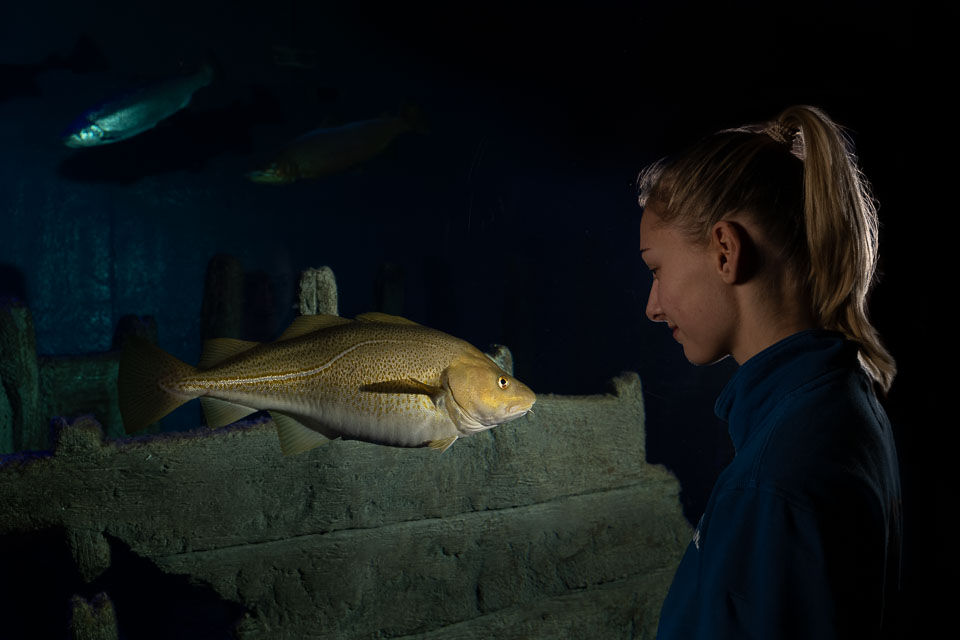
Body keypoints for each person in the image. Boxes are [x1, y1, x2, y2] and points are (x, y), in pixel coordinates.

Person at [637, 105, 902, 639]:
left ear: (725, 251)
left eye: (657, 269)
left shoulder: (771, 484)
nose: (653, 306)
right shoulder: (842, 404)